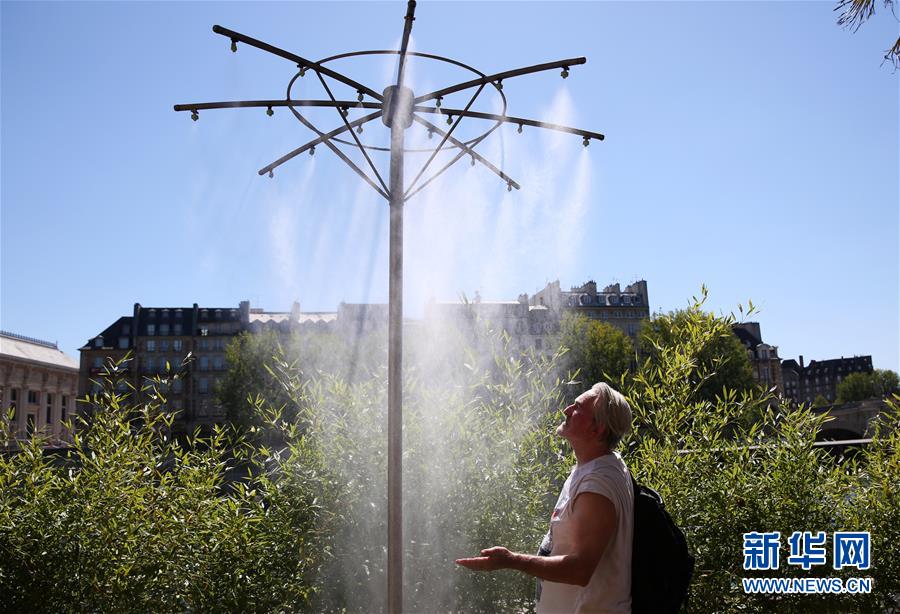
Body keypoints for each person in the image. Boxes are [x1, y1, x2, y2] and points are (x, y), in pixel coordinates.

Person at [456, 382, 634, 613]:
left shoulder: (597, 486)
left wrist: (511, 560)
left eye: (577, 407)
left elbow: (581, 569)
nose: (567, 410)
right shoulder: (597, 466)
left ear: (597, 429)